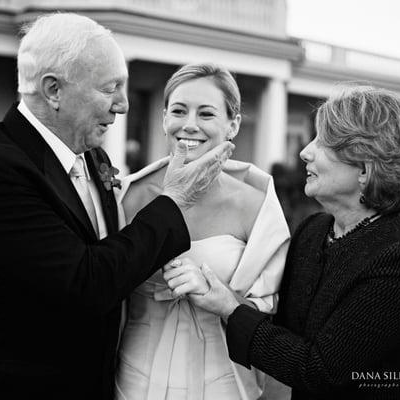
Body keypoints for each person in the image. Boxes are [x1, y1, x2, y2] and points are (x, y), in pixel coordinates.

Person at [0, 14, 234, 400]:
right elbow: (86, 283)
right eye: (110, 88)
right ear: (53, 91)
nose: (123, 105)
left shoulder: (92, 157)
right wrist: (174, 200)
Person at [165, 85, 400, 399]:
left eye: (323, 143)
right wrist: (219, 292)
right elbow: (280, 332)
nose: (305, 151)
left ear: (366, 169)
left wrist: (231, 309)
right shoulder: (314, 230)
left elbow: (321, 371)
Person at [115, 63, 290, 400]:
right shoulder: (127, 195)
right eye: (178, 111)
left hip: (222, 378)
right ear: (165, 118)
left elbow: (270, 317)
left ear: (233, 124)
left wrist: (218, 292)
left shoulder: (255, 206)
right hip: (134, 374)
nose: (189, 125)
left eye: (206, 114)